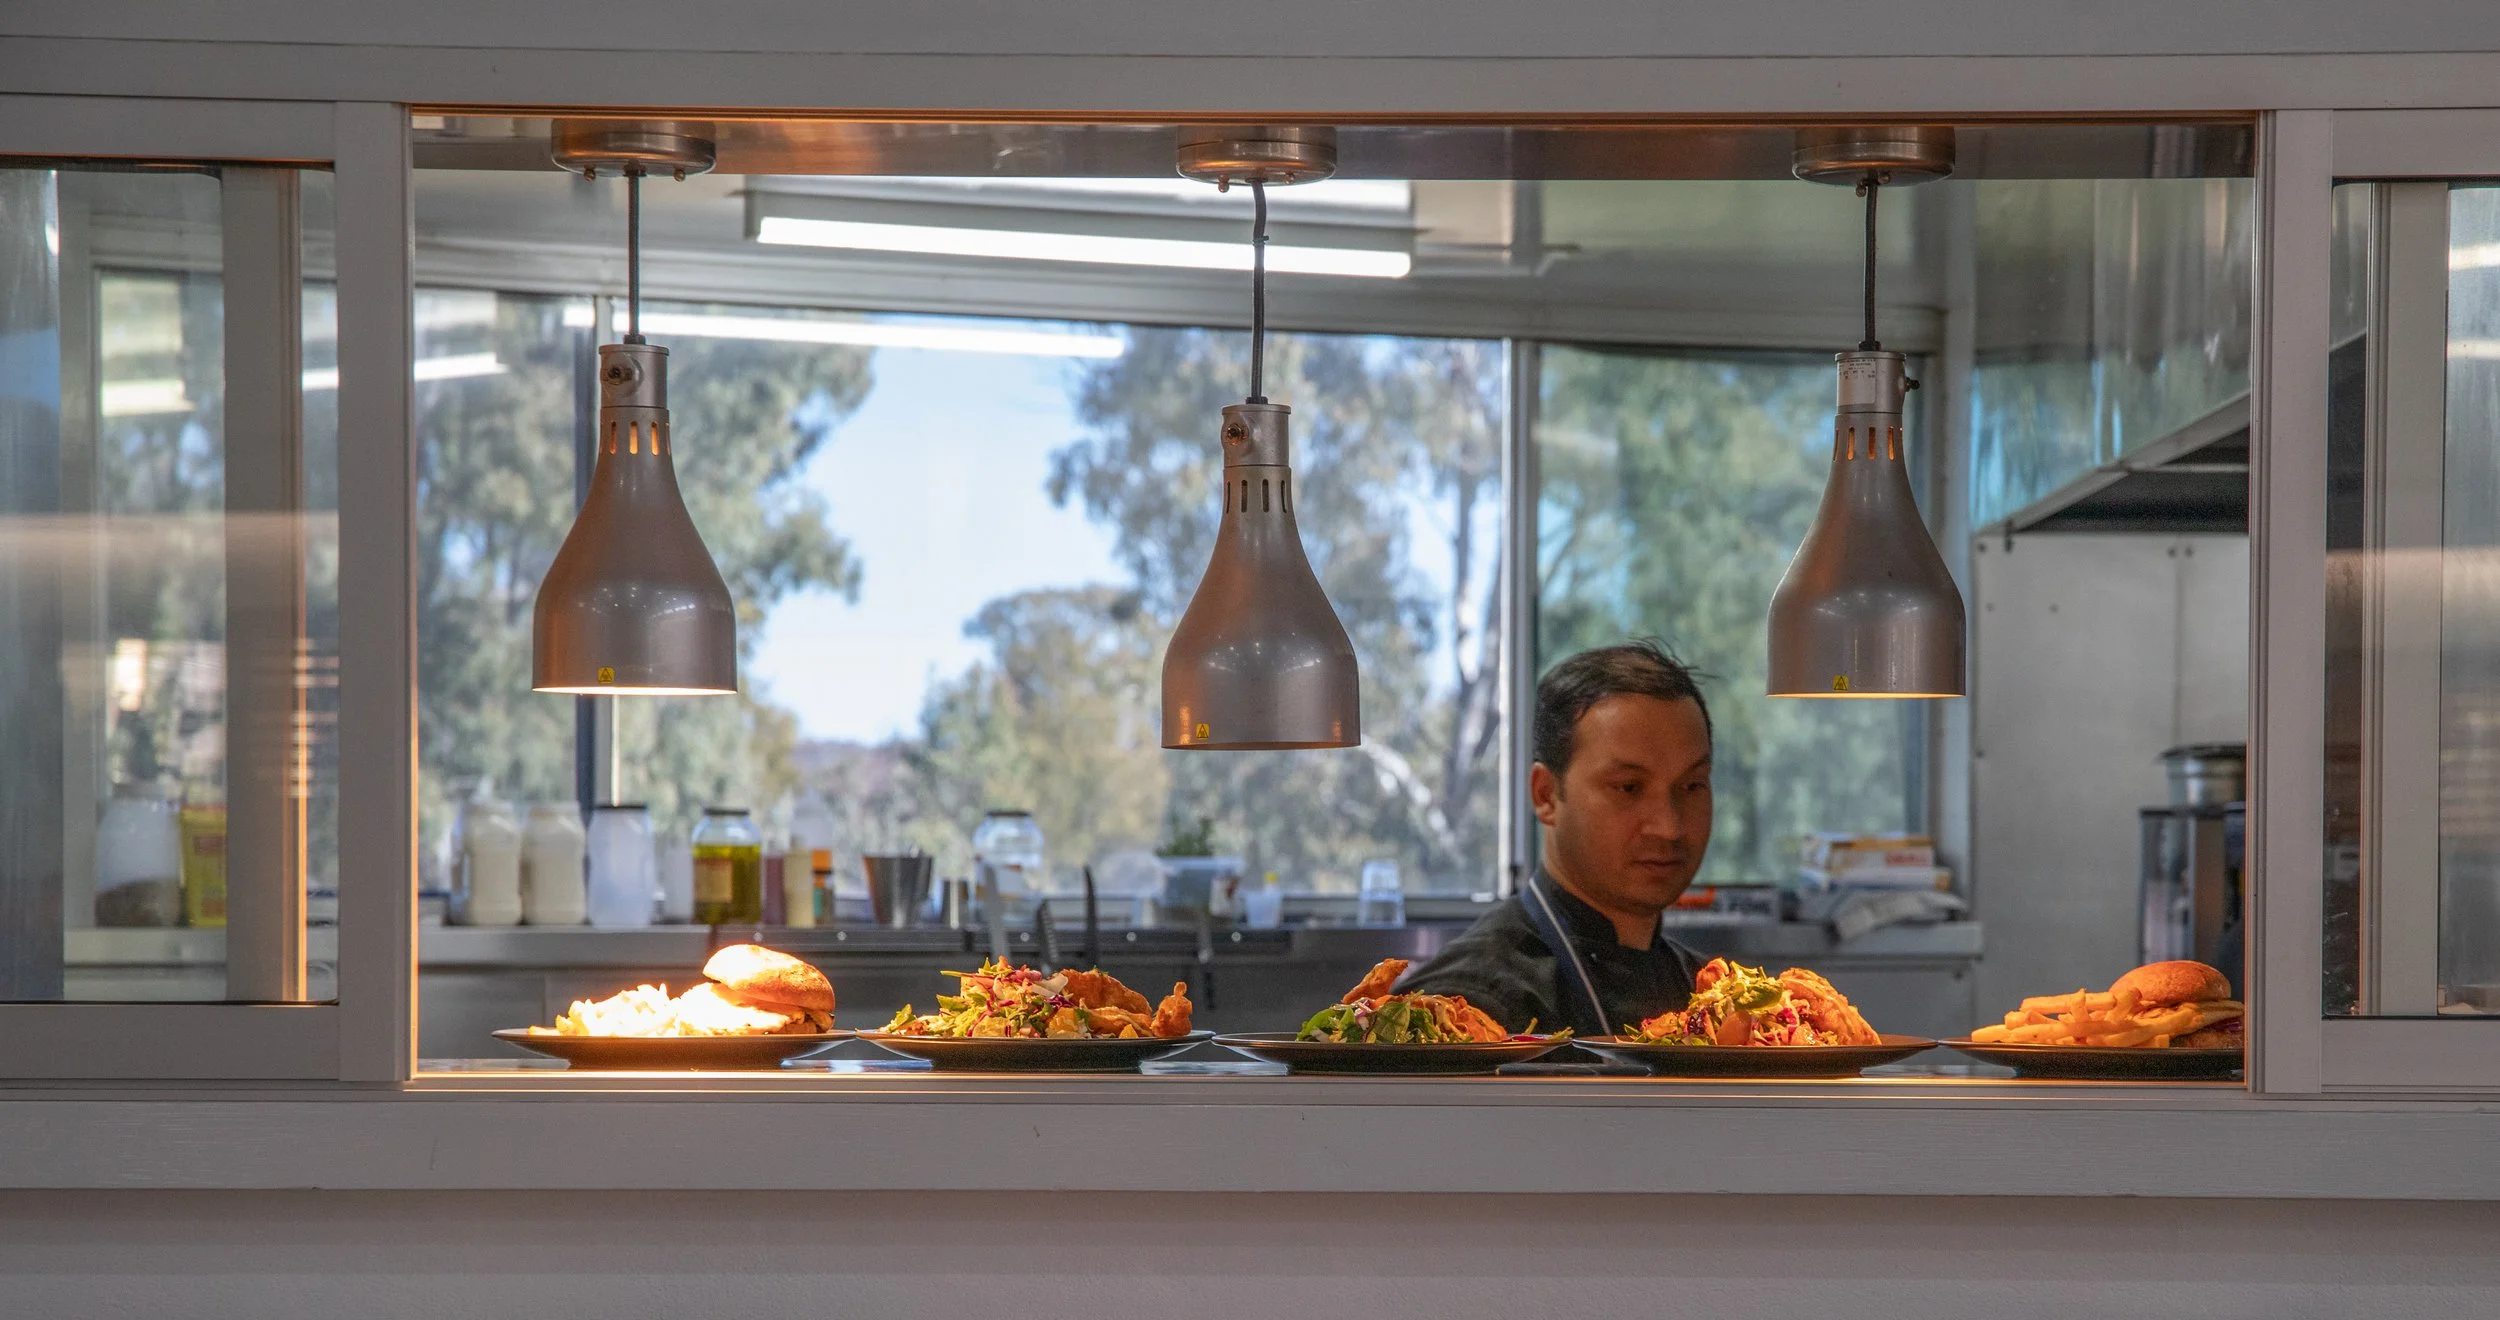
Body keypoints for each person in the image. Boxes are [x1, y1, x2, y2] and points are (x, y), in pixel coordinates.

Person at [1399, 640, 1712, 1037]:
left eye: (1691, 786)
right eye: (1629, 787)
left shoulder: (1714, 995)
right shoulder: (1459, 1009)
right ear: (1545, 795)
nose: (1669, 826)